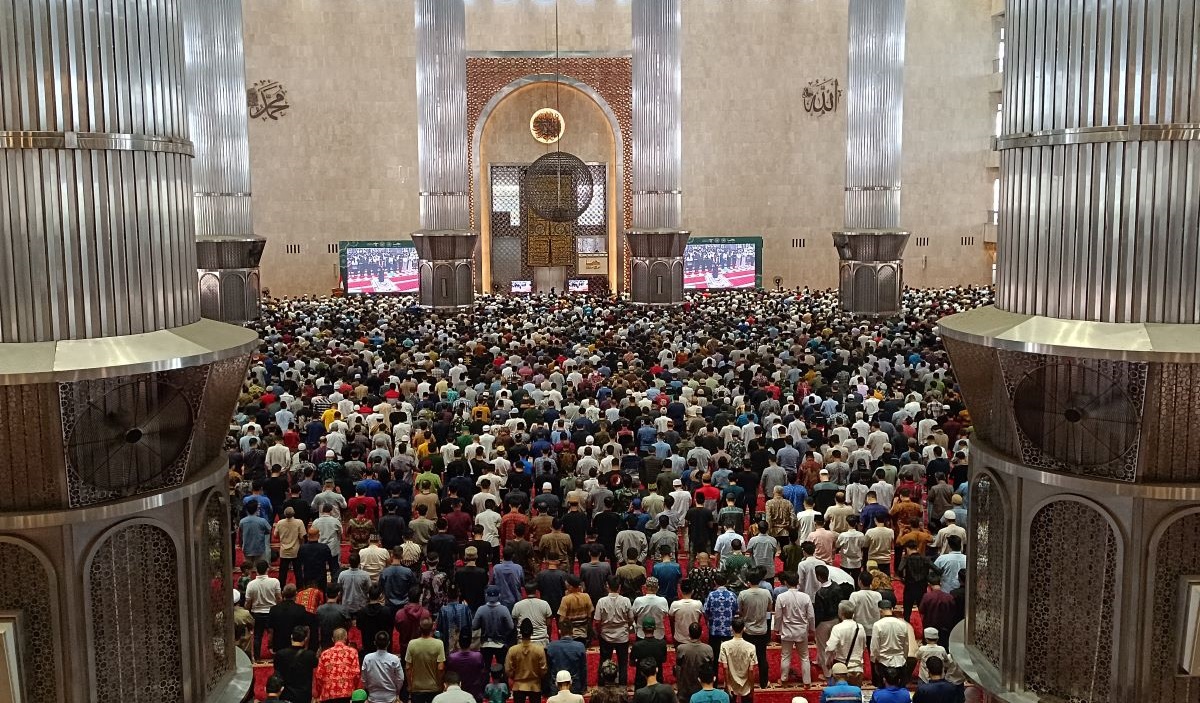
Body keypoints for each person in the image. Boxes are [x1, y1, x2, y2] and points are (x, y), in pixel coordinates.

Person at [773, 571, 815, 688]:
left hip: (787, 630)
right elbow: (811, 616)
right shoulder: (805, 597)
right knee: (805, 657)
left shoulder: (781, 597)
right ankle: (807, 682)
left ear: (785, 582)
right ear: (798, 582)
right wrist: (812, 628)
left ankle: (784, 679)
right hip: (801, 630)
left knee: (786, 656)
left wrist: (776, 628)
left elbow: (778, 616)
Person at [593, 576, 634, 685]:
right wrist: (626, 627)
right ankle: (622, 686)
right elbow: (631, 619)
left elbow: (597, 621)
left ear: (607, 586)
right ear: (619, 587)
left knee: (604, 661)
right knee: (623, 663)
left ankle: (602, 684)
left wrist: (599, 632)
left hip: (606, 636)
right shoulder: (626, 601)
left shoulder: (601, 601)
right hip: (622, 636)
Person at [736, 567, 772, 690]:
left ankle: (744, 681)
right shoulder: (766, 593)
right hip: (762, 629)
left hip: (748, 630)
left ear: (748, 581)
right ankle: (764, 682)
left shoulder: (743, 594)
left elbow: (739, 611)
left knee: (746, 658)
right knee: (762, 657)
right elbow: (769, 609)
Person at [245, 559, 281, 663]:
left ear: (256, 570)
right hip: (272, 612)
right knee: (274, 634)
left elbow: (248, 602)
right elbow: (278, 598)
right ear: (267, 569)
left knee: (257, 636)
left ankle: (257, 657)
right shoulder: (274, 581)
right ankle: (276, 655)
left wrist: (247, 612)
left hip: (257, 613)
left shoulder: (251, 584)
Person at [870, 600, 911, 688]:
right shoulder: (902, 624)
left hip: (883, 662)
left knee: (883, 690)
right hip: (900, 661)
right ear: (892, 609)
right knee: (900, 689)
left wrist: (874, 660)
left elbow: (875, 647)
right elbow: (906, 645)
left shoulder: (878, 625)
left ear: (880, 611)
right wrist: (904, 658)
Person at [506, 618, 548, 703]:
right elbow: (543, 669)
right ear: (532, 632)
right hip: (535, 685)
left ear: (520, 632)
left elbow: (508, 670)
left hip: (518, 685)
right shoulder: (539, 650)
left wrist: (514, 676)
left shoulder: (513, 650)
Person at [473, 586, 515, 672]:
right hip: (500, 643)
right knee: (502, 668)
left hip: (485, 643)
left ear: (486, 596)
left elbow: (474, 626)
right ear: (499, 596)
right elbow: (511, 626)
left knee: (485, 669)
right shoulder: (504, 609)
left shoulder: (481, 609)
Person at [314, 628, 361, 703]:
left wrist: (319, 693)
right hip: (347, 693)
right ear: (346, 638)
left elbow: (319, 676)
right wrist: (354, 688)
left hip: (328, 693)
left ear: (333, 639)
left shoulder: (324, 654)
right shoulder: (352, 652)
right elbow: (356, 674)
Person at [407, 617, 447, 703]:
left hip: (417, 688)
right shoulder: (439, 644)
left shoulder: (412, 644)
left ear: (419, 628)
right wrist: (440, 685)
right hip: (434, 687)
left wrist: (410, 686)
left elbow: (408, 668)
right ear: (432, 628)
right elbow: (440, 668)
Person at [717, 618, 757, 703]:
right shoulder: (751, 647)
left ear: (731, 628)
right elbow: (751, 670)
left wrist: (727, 685)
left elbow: (725, 668)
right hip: (746, 684)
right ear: (744, 629)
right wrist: (752, 688)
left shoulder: (724, 646)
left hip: (731, 683)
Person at [274, 626, 319, 703]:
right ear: (305, 639)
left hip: (286, 694)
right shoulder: (310, 655)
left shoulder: (280, 654)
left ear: (291, 636)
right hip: (304, 695)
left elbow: (277, 672)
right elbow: (315, 664)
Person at [825, 601, 866, 683]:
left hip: (841, 669)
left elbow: (830, 648)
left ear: (841, 613)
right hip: (857, 668)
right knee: (855, 693)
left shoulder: (837, 628)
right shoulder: (860, 627)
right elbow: (863, 646)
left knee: (839, 694)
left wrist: (828, 660)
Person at [674, 621, 714, 703]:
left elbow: (678, 667)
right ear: (701, 634)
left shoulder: (681, 648)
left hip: (685, 687)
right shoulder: (708, 649)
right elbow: (711, 667)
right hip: (701, 686)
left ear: (689, 634)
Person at [361, 630, 406, 703]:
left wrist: (369, 690)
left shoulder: (367, 658)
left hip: (373, 698)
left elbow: (364, 679)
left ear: (375, 643)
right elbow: (400, 679)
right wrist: (397, 692)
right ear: (388, 643)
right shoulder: (395, 659)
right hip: (391, 698)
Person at [268, 584, 313, 656]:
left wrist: (270, 645)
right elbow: (306, 629)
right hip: (296, 645)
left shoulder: (274, 609)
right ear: (296, 594)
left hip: (279, 645)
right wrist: (306, 646)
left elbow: (271, 630)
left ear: (282, 593)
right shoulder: (300, 609)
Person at [704, 572, 739, 656]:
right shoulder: (732, 595)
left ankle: (714, 669)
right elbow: (736, 611)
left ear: (715, 582)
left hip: (714, 629)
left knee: (714, 655)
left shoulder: (711, 595)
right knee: (729, 655)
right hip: (728, 629)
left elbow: (706, 611)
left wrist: (708, 622)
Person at [630, 618, 669, 689]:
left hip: (641, 681)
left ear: (643, 629)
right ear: (654, 628)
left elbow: (631, 663)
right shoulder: (662, 644)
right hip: (657, 679)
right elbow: (664, 660)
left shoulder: (637, 645)